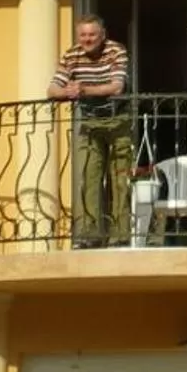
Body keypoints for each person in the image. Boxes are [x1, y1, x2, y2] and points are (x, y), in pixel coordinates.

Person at [49, 14, 133, 247]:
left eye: (92, 35)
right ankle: (90, 235)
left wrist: (83, 89)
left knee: (119, 179)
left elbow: (117, 86)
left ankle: (120, 236)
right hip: (90, 123)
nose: (88, 39)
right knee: (89, 178)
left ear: (102, 35)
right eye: (83, 35)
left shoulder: (116, 51)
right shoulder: (72, 55)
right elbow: (52, 89)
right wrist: (67, 92)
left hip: (119, 121)